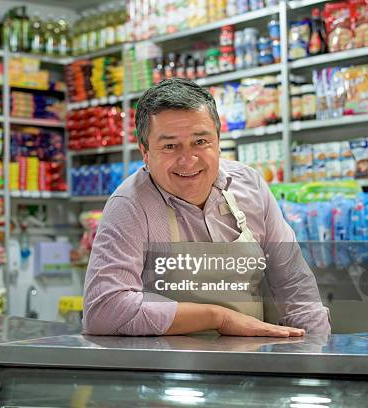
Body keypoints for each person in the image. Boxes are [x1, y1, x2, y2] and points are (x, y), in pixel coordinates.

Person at [83, 78, 331, 337]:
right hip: (163, 370)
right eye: (170, 146)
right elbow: (104, 309)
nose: (188, 160)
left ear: (218, 140)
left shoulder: (250, 186)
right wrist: (218, 318)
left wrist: (317, 354)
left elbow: (294, 284)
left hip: (250, 364)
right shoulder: (130, 206)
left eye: (201, 142)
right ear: (145, 152)